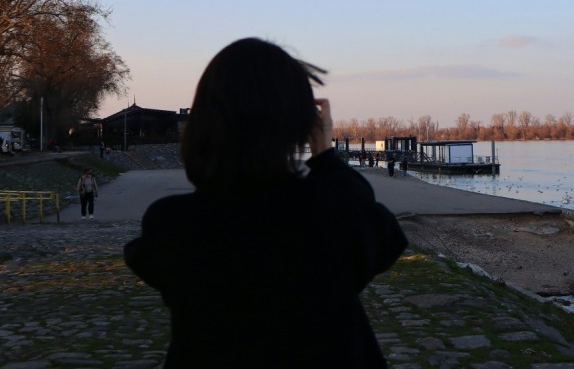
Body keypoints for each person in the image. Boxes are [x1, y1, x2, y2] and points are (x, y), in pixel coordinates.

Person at [123, 37, 408, 368]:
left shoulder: (172, 225)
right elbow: (374, 230)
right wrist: (326, 155)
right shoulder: (329, 216)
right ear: (299, 123)